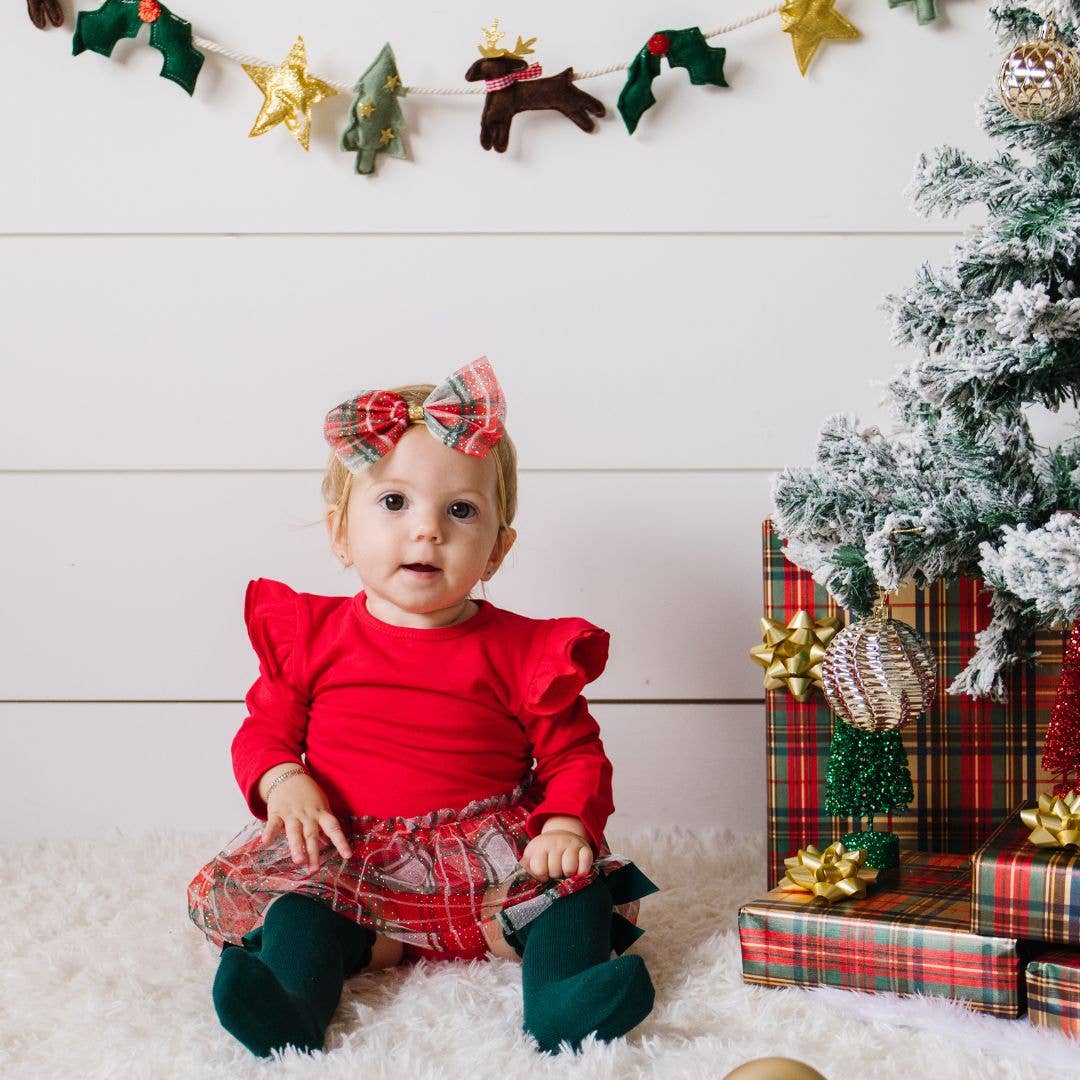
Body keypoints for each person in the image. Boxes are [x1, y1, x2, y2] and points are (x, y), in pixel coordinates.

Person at [187, 357, 658, 1058]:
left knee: (573, 894)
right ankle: (290, 1003)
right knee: (298, 910)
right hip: (355, 861)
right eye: (393, 502)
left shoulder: (524, 651)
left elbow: (574, 754)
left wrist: (564, 821)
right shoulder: (311, 637)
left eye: (460, 510)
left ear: (497, 551)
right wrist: (284, 778)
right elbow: (264, 731)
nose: (427, 530)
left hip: (491, 863)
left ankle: (563, 996)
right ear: (340, 532)